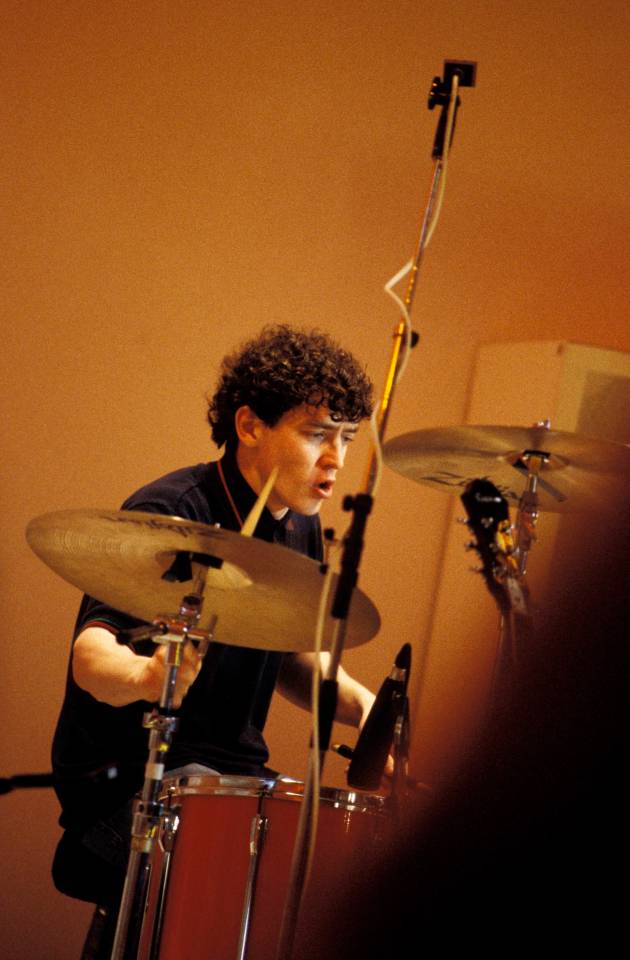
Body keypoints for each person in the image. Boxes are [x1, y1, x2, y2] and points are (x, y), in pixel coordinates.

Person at [50, 324, 376, 957]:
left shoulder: (296, 525)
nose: (337, 459)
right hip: (134, 792)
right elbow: (92, 658)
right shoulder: (176, 511)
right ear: (250, 425)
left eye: (347, 438)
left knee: (319, 844)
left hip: (225, 783)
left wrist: (367, 711)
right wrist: (149, 680)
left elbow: (285, 658)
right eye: (317, 434)